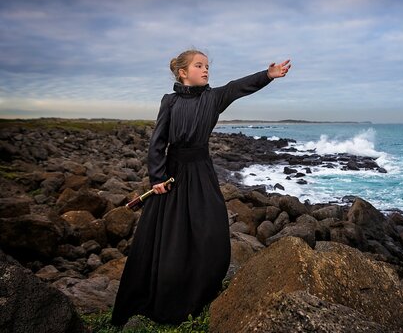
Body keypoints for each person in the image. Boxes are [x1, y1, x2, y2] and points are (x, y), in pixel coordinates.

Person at [110, 49, 291, 326]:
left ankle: (201, 294)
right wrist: (156, 178)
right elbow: (158, 141)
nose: (206, 70)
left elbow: (237, 87)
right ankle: (164, 297)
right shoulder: (169, 101)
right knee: (168, 236)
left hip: (201, 171)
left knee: (212, 230)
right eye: (199, 65)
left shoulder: (213, 98)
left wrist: (267, 75)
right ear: (183, 72)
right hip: (172, 173)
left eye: (207, 66)